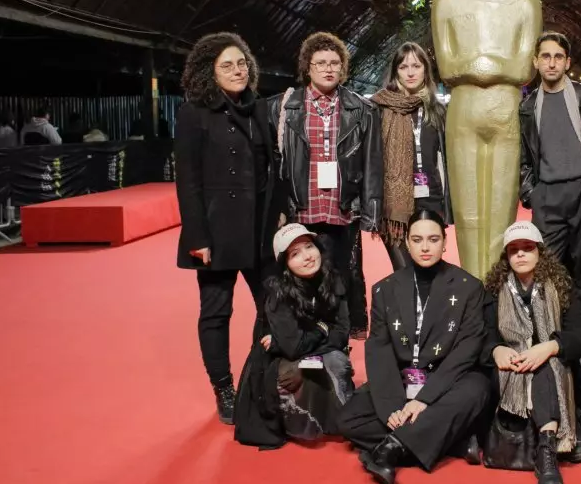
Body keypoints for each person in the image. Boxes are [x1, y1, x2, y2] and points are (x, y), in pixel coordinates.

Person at [338, 210, 489, 484]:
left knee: (477, 389)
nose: (425, 247)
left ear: (445, 243)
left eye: (433, 239)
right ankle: (450, 441)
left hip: (445, 383)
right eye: (417, 239)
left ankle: (391, 448)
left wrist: (425, 400)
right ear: (406, 243)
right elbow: (379, 349)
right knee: (348, 420)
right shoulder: (385, 289)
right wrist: (393, 409)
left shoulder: (469, 287)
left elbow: (467, 350)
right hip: (402, 380)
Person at [482, 221, 581, 484]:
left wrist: (551, 346)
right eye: (513, 250)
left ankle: (546, 452)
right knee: (533, 370)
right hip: (510, 369)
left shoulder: (560, 286)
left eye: (527, 248)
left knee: (547, 366)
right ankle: (555, 443)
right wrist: (496, 350)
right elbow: (485, 335)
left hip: (553, 367)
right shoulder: (494, 290)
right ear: (506, 256)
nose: (520, 254)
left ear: (540, 252)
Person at [174, 32, 275, 424]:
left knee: (272, 306)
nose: (238, 71)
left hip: (259, 229)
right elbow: (188, 180)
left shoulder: (259, 109)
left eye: (242, 63)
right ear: (209, 73)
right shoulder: (194, 113)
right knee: (216, 312)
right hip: (215, 233)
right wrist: (197, 236)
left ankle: (255, 376)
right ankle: (224, 388)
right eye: (227, 65)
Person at [271, 31, 383, 338]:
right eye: (320, 62)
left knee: (343, 270)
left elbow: (373, 162)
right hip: (303, 204)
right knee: (304, 269)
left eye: (334, 62)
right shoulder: (286, 106)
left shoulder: (361, 108)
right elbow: (276, 163)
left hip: (343, 204)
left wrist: (371, 211)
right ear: (308, 66)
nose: (328, 68)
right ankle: (308, 330)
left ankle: (341, 331)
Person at [519, 31, 581, 377]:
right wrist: (532, 192)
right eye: (545, 56)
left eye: (558, 56)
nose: (551, 62)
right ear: (535, 61)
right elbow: (523, 156)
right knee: (549, 271)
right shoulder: (528, 107)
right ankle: (553, 339)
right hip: (548, 195)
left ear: (568, 62)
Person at [234, 224, 354, 449]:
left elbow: (342, 334)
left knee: (337, 361)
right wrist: (322, 328)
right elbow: (295, 348)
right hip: (279, 364)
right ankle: (296, 419)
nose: (307, 257)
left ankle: (345, 420)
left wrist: (285, 343)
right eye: (295, 254)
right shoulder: (278, 295)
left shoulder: (333, 278)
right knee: (300, 370)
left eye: (309, 247)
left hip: (300, 352)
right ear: (285, 264)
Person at [370, 42, 452, 271]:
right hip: (393, 207)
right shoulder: (379, 108)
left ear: (425, 69)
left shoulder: (437, 110)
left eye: (416, 65)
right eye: (404, 66)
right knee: (404, 272)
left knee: (428, 270)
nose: (411, 72)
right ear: (395, 71)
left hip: (430, 199)